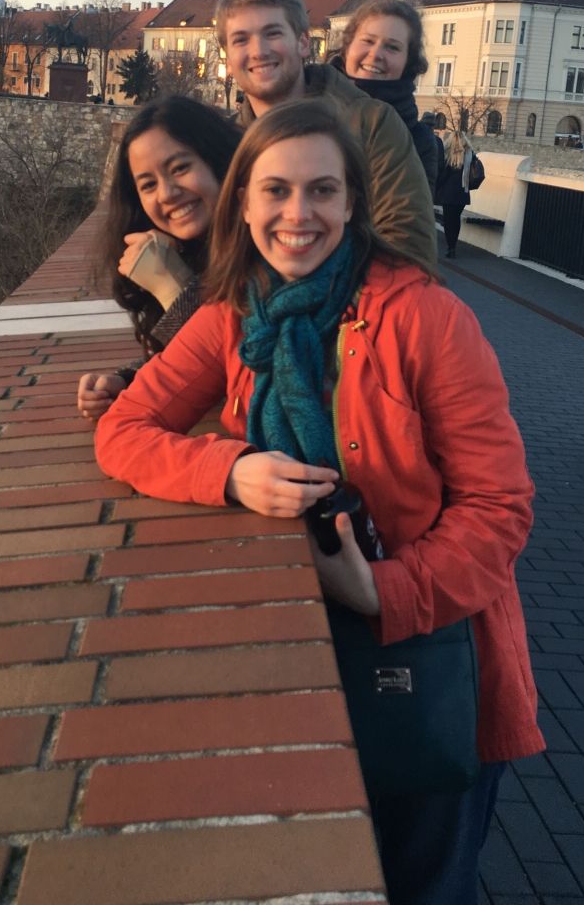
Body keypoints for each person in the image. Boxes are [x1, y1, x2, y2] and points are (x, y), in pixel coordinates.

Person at [95, 99, 543, 905]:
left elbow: (500, 506)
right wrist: (231, 471)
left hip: (433, 657)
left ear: (353, 203)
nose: (298, 215)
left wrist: (385, 590)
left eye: (322, 192)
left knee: (425, 884)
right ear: (242, 205)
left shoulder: (427, 319)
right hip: (298, 643)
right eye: (274, 192)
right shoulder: (234, 314)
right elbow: (125, 428)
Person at [215, 0, 437, 270]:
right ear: (228, 59)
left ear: (304, 43)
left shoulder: (371, 123)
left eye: (273, 33)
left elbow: (409, 245)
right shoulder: (223, 142)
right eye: (241, 40)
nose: (258, 51)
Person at [76, 96, 240, 421]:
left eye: (180, 168)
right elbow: (191, 362)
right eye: (148, 185)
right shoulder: (189, 249)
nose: (166, 193)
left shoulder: (265, 245)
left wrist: (171, 286)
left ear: (219, 162)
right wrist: (127, 379)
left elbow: (234, 370)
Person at [326, 0, 439, 190]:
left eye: (392, 47)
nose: (376, 54)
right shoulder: (305, 107)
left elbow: (408, 217)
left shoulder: (419, 141)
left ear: (408, 62)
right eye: (368, 41)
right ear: (347, 47)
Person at [435, 127, 480, 259]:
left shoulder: (447, 154)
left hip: (448, 193)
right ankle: (453, 245)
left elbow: (442, 174)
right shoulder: (469, 153)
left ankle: (450, 248)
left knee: (449, 220)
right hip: (462, 192)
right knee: (456, 219)